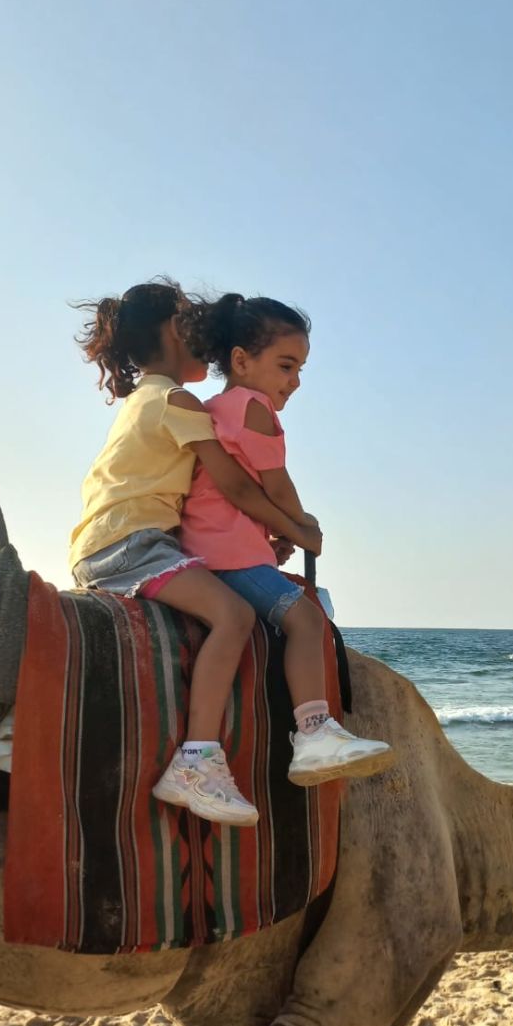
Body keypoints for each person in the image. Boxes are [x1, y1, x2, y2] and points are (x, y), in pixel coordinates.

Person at [70, 279, 320, 826]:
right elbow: (233, 484)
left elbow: (205, 499)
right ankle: (197, 760)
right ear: (169, 333)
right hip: (133, 544)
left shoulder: (148, 399)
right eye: (188, 323)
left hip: (117, 539)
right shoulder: (177, 400)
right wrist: (299, 530)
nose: (200, 333)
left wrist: (262, 537)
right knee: (232, 615)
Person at [179, 293, 393, 785]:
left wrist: (272, 534)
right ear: (240, 360)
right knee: (306, 621)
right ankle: (315, 732)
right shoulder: (256, 408)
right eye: (285, 365)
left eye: (300, 370)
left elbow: (232, 494)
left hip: (207, 547)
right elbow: (277, 486)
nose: (294, 382)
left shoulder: (216, 407)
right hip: (228, 556)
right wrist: (305, 528)